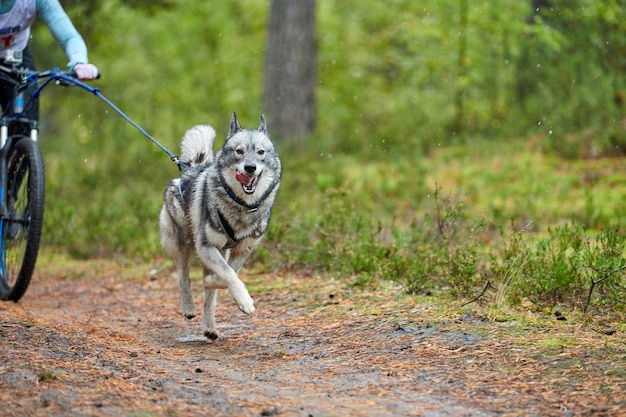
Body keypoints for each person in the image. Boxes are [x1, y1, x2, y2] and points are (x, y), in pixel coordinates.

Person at [0, 0, 99, 124]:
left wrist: (80, 62)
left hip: (16, 60)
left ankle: (23, 141)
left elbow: (69, 37)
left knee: (24, 120)